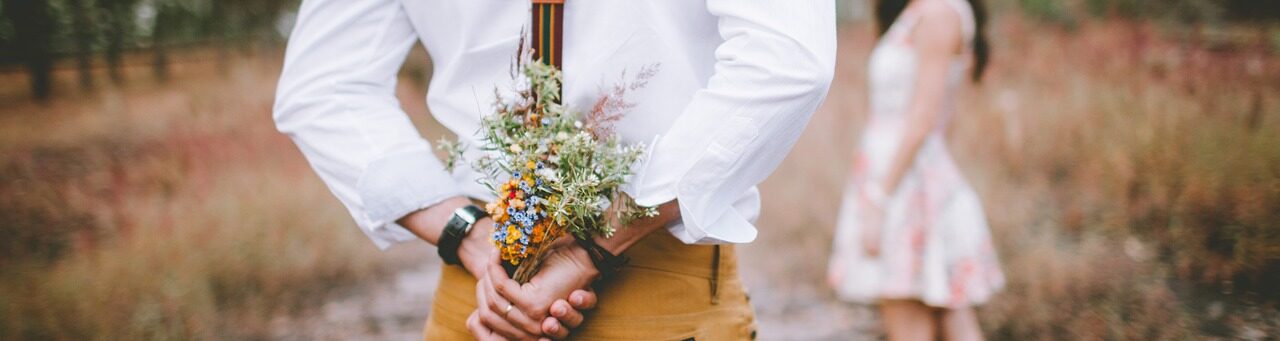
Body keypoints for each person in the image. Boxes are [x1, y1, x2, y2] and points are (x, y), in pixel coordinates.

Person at [272, 0, 836, 339]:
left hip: (483, 298)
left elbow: (323, 87)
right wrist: (588, 240)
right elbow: (788, 59)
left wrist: (467, 230)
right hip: (616, 295)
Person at [826, 0, 1004, 340]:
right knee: (948, 316)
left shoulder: (938, 14)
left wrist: (880, 198)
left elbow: (925, 117)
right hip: (904, 171)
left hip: (904, 182)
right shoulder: (923, 11)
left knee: (912, 320)